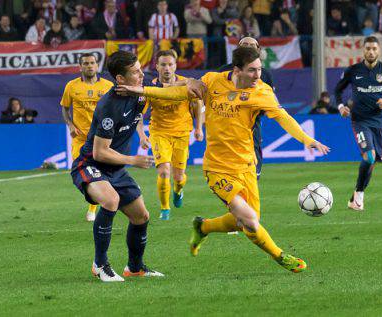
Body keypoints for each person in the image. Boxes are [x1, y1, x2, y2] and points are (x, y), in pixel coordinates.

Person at [117, 47, 330, 273]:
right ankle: (280, 256)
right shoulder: (213, 82)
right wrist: (140, 90)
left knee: (247, 220)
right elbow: (176, 94)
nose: (258, 75)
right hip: (217, 168)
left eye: (259, 69)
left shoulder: (262, 92)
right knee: (249, 220)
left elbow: (283, 117)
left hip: (246, 165)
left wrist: (307, 139)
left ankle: (203, 226)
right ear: (237, 70)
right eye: (252, 70)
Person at [70, 50, 164, 282]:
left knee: (141, 216)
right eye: (135, 72)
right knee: (110, 200)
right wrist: (134, 160)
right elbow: (100, 152)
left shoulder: (140, 95)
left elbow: (139, 114)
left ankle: (135, 267)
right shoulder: (108, 105)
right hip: (90, 164)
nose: (142, 74)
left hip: (115, 169)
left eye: (141, 69)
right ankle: (100, 264)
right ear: (120, 79)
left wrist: (141, 134)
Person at [334, 36, 382, 211]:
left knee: (372, 162)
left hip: (378, 122)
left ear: (379, 50)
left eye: (374, 49)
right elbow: (337, 90)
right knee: (369, 157)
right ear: (363, 50)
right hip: (359, 121)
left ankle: (355, 198)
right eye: (368, 49)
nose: (371, 52)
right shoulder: (353, 70)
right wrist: (341, 106)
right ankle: (359, 196)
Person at [137, 50, 204, 221]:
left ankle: (178, 190)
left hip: (182, 133)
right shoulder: (150, 87)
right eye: (163, 65)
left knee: (179, 177)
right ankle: (165, 209)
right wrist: (142, 135)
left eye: (170, 64)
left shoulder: (186, 84)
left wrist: (198, 128)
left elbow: (198, 105)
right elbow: (138, 114)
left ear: (175, 66)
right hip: (159, 133)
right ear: (157, 66)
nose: (167, 68)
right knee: (164, 171)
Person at [60, 53, 114, 222]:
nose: (90, 66)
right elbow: (65, 108)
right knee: (80, 172)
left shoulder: (108, 86)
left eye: (92, 63)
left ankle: (92, 209)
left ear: (97, 66)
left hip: (101, 139)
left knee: (99, 172)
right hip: (81, 138)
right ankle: (97, 199)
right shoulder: (72, 86)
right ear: (80, 67)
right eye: (86, 63)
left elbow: (115, 110)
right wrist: (70, 124)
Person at [218, 37, 274, 180]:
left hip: (251, 126)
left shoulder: (265, 75)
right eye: (245, 45)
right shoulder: (222, 72)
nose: (248, 48)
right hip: (225, 126)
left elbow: (269, 102)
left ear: (258, 50)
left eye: (252, 45)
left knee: (252, 176)